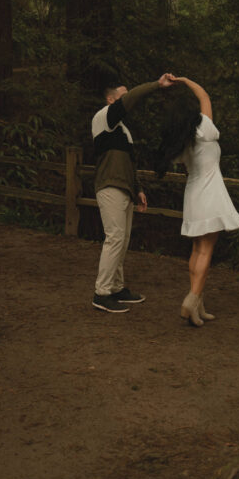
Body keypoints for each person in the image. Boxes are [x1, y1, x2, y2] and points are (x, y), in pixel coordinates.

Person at [155, 74, 239, 326]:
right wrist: (185, 80)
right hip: (209, 192)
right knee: (206, 249)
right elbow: (204, 96)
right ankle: (192, 299)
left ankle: (198, 304)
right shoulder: (204, 127)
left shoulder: (180, 142)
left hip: (193, 193)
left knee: (196, 249)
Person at [91, 73, 173, 313]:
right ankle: (101, 292)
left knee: (122, 240)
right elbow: (130, 100)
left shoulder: (123, 130)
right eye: (122, 96)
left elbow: (129, 163)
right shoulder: (104, 118)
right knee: (115, 237)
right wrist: (156, 85)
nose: (127, 100)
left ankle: (116, 288)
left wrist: (138, 189)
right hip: (109, 186)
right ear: (110, 100)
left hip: (125, 188)